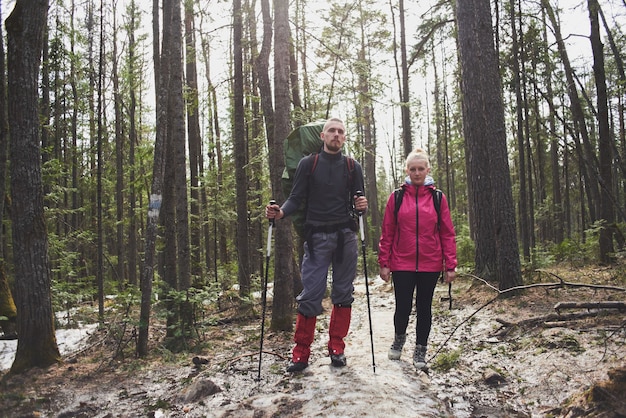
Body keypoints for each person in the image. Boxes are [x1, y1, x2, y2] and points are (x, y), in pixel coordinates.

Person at [266, 117, 368, 373]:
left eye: (340, 132)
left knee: (343, 294)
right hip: (316, 238)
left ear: (344, 138)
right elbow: (295, 198)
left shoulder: (352, 167)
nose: (336, 135)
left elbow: (359, 200)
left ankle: (337, 348)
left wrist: (362, 206)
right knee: (310, 295)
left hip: (345, 236)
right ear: (322, 136)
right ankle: (300, 353)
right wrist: (280, 214)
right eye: (331, 131)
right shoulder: (307, 164)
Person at [377, 148, 457, 370]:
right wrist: (384, 263)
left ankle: (420, 350)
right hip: (402, 262)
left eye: (421, 168)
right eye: (413, 169)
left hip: (430, 263)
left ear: (428, 170)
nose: (417, 172)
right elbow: (388, 232)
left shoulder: (438, 198)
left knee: (424, 308)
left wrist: (450, 265)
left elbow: (447, 233)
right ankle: (399, 340)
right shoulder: (397, 197)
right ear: (407, 171)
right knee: (402, 306)